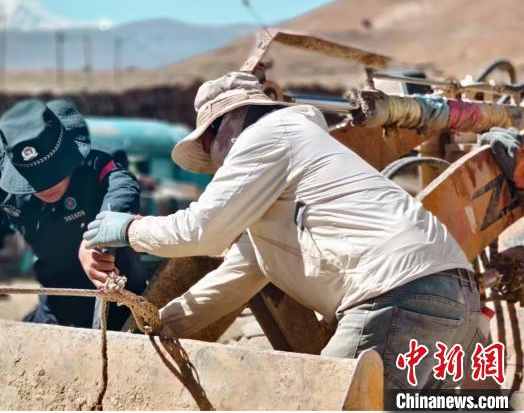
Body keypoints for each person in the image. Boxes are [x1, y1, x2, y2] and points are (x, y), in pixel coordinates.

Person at [83, 71, 483, 390]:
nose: (215, 163)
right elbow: (231, 281)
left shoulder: (266, 136)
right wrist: (157, 326)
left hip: (395, 296)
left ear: (225, 126)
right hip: (456, 298)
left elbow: (201, 231)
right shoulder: (290, 170)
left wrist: (131, 229)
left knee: (327, 401)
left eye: (208, 145)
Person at [0, 99, 145, 329]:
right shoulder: (0, 179)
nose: (45, 186)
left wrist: (96, 237)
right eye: (34, 179)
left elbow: (124, 189)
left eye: (52, 173)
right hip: (57, 304)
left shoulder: (95, 161)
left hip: (121, 303)